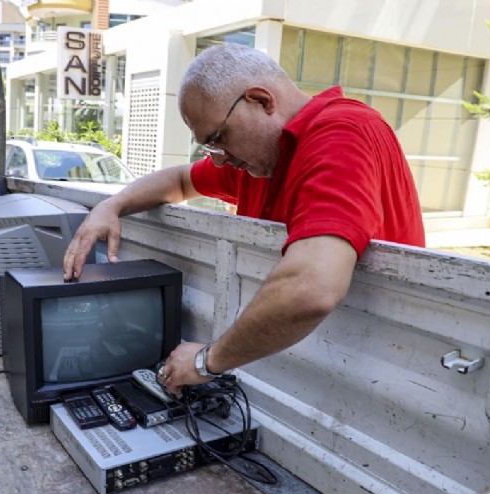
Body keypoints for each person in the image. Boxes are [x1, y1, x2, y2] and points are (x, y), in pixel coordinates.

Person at [62, 44, 425, 396]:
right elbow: (180, 181)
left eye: (219, 139)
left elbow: (311, 287)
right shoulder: (262, 159)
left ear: (262, 101)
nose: (219, 160)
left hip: (377, 375)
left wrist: (205, 362)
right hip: (302, 369)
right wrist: (112, 205)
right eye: (210, 147)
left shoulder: (340, 134)